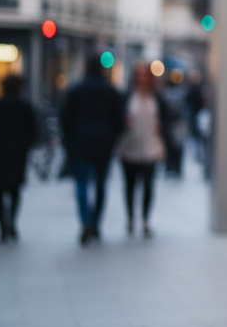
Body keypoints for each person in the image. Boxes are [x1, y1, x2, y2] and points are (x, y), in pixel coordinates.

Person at [59, 55, 127, 245]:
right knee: (100, 184)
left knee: (81, 184)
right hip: (103, 144)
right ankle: (96, 223)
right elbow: (120, 121)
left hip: (79, 143)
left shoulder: (75, 90)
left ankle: (85, 221)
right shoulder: (111, 91)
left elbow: (65, 118)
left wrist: (69, 140)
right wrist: (112, 138)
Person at [0, 75, 37, 243]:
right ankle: (12, 224)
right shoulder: (24, 106)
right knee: (15, 190)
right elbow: (33, 130)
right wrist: (25, 144)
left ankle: (2, 227)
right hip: (17, 151)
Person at [117, 65, 169, 237]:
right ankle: (131, 218)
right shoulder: (127, 98)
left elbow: (166, 119)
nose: (142, 79)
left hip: (151, 146)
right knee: (130, 185)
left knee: (148, 185)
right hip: (130, 146)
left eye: (145, 75)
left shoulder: (157, 99)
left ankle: (146, 219)